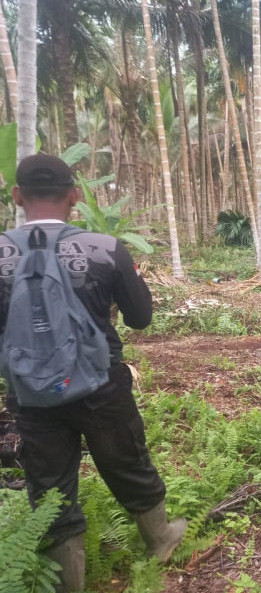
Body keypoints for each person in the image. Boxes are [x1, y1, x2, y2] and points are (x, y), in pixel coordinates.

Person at [0, 154, 186, 593]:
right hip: (100, 384)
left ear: (17, 196)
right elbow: (141, 318)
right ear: (74, 197)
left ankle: (69, 584)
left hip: (30, 392)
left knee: (49, 488)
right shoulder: (105, 248)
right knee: (127, 460)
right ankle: (161, 539)